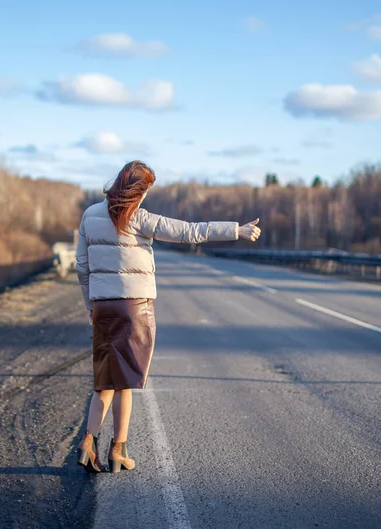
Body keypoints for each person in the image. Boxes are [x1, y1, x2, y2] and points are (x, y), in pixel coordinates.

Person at [75, 160, 261, 473]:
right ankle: (118, 450)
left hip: (103, 305)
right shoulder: (138, 216)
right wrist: (236, 230)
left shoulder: (90, 215)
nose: (145, 197)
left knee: (104, 379)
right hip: (134, 307)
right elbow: (189, 232)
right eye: (145, 191)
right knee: (125, 382)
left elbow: (82, 266)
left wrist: (91, 306)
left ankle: (87, 442)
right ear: (137, 190)